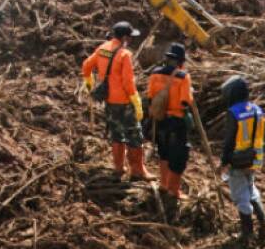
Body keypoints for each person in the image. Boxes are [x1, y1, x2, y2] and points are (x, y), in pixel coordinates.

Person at [81, 22, 151, 182]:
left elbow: (86, 65)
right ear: (125, 37)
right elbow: (128, 82)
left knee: (117, 134)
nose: (130, 41)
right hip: (124, 102)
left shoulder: (103, 48)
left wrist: (89, 81)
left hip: (109, 101)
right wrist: (136, 101)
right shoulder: (124, 54)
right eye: (130, 38)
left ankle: (119, 168)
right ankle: (138, 171)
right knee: (135, 136)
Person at [220, 75, 265, 249]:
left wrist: (224, 161)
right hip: (256, 158)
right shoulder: (257, 109)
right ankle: (264, 220)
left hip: (238, 159)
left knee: (240, 194)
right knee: (251, 188)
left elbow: (229, 140)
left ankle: (247, 232)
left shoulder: (234, 112)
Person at [146, 43, 194, 210]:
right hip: (176, 122)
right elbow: (184, 102)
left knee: (164, 152)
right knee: (178, 157)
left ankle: (164, 185)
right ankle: (174, 191)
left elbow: (150, 97)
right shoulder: (183, 77)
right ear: (180, 61)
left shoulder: (155, 74)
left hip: (160, 121)